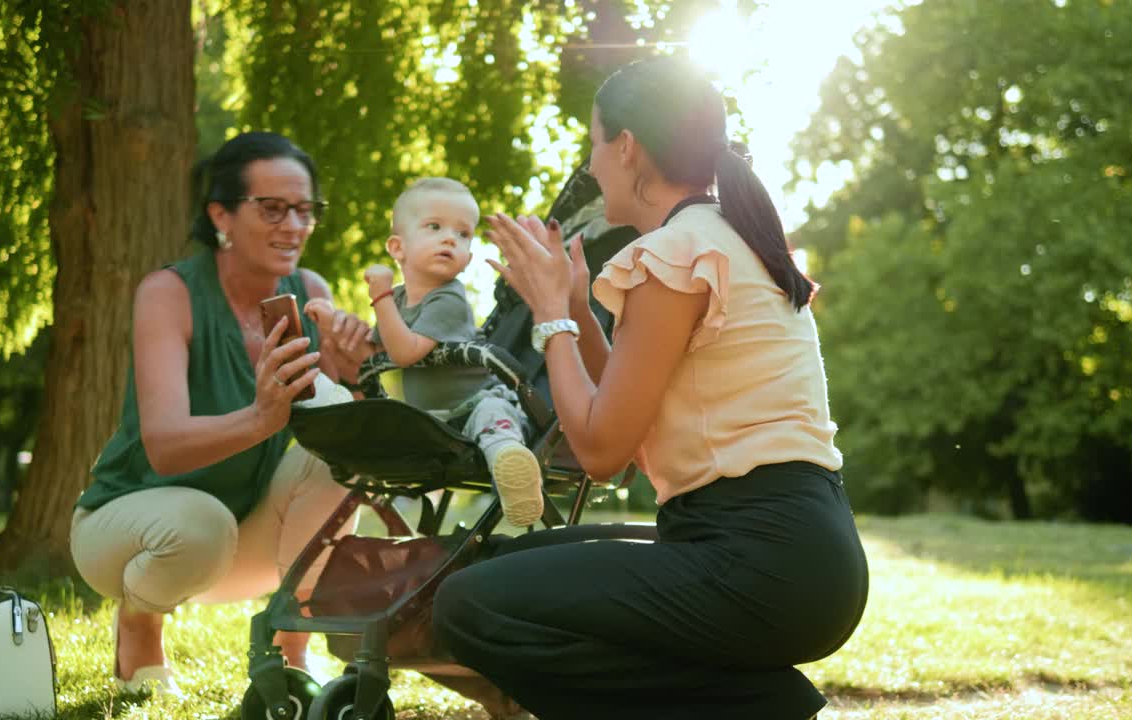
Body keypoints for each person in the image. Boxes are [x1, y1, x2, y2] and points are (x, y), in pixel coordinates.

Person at [432, 55, 870, 720]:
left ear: (628, 147)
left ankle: (763, 707)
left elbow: (602, 454)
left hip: (761, 560)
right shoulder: (720, 237)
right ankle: (766, 703)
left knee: (471, 604)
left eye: (593, 146)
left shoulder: (679, 254)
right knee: (495, 565)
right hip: (788, 555)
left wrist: (551, 318)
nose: (591, 166)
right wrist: (577, 309)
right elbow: (629, 416)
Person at [70, 131, 373, 694]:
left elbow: (340, 440)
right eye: (273, 208)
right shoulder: (168, 293)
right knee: (201, 523)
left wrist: (355, 378)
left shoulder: (308, 290)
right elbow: (164, 446)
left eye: (305, 210)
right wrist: (262, 416)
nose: (294, 226)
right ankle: (139, 620)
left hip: (239, 541)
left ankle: (292, 653)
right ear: (221, 215)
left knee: (335, 459)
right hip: (128, 536)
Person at [306, 177, 545, 527]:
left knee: (495, 419)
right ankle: (326, 404)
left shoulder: (448, 298)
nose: (450, 238)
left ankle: (513, 469)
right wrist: (334, 324)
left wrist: (379, 296)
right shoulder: (399, 299)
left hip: (474, 403)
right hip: (431, 419)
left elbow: (404, 354)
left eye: (463, 234)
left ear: (468, 258)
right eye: (434, 227)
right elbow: (373, 352)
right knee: (389, 416)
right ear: (397, 248)